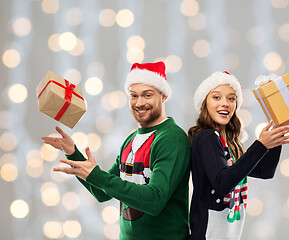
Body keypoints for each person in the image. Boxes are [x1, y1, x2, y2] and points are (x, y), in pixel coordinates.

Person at [41, 61, 191, 240]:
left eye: (147, 95)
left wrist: (96, 175)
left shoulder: (171, 139)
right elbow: (102, 192)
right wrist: (73, 153)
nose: (139, 102)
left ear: (163, 96)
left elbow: (154, 200)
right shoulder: (131, 140)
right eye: (133, 95)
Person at [187, 71, 289, 240]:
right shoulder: (207, 137)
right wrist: (260, 145)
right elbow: (222, 184)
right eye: (216, 97)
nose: (225, 104)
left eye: (231, 98)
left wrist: (275, 134)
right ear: (204, 103)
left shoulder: (226, 142)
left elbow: (265, 172)